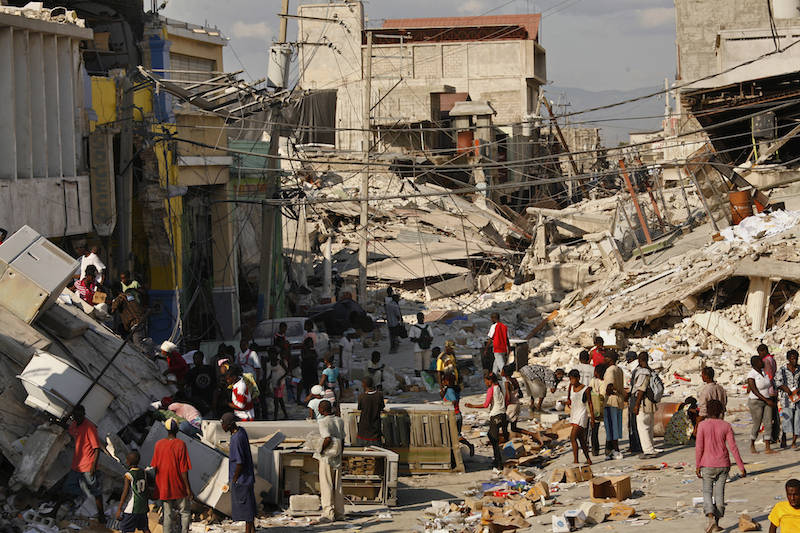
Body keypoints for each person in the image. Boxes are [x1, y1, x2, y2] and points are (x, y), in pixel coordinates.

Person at [696, 399, 746, 533]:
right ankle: (716, 524)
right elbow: (733, 448)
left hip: (707, 464)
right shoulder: (726, 426)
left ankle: (711, 517)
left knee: (707, 492)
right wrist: (741, 467)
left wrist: (697, 465)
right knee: (719, 494)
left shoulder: (702, 425)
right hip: (723, 464)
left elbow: (699, 447)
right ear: (720, 412)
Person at [150, 419, 193, 533]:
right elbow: (184, 469)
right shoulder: (181, 445)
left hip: (164, 485)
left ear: (166, 429)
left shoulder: (158, 444)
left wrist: (157, 486)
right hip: (179, 485)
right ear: (177, 429)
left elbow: (155, 467)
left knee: (167, 513)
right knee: (185, 512)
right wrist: (188, 489)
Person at [65, 405, 104, 520]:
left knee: (95, 491)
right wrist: (67, 416)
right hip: (77, 464)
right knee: (67, 487)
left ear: (83, 415)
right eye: (75, 416)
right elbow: (68, 428)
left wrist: (93, 467)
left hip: (87, 465)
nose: (77, 418)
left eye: (79, 416)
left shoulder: (89, 428)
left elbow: (97, 448)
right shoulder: (75, 425)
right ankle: (56, 510)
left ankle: (102, 516)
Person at [221, 413, 256, 533]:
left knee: (245, 510)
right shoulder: (241, 432)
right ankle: (252, 530)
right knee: (249, 507)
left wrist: (234, 479)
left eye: (223, 424)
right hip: (248, 477)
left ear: (230, 425)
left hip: (242, 479)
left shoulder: (236, 439)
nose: (222, 426)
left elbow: (240, 462)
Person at [465, 373, 507, 469]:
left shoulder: (491, 389)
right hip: (503, 414)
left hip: (495, 415)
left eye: (485, 381)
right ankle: (497, 460)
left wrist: (472, 406)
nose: (485, 383)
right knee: (491, 436)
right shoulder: (500, 386)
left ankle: (499, 463)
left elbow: (485, 405)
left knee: (494, 439)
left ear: (490, 381)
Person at [316, 400, 346, 522]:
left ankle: (328, 513)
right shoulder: (339, 420)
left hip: (327, 457)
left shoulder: (323, 422)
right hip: (337, 456)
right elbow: (343, 439)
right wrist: (341, 453)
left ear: (322, 410)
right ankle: (339, 513)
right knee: (337, 485)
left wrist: (321, 450)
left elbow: (327, 438)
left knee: (326, 484)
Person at [747, 355, 776, 454]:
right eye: (760, 361)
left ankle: (767, 447)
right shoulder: (752, 374)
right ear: (755, 364)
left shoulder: (763, 372)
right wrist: (766, 400)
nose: (762, 362)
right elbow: (754, 390)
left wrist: (770, 399)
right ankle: (752, 444)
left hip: (767, 400)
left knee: (768, 422)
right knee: (757, 423)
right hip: (756, 401)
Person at [116, 451, 150, 533]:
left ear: (129, 462)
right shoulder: (143, 472)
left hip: (132, 507)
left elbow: (125, 492)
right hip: (143, 506)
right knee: (145, 528)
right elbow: (146, 489)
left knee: (125, 529)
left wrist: (119, 508)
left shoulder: (129, 475)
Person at [441, 372, 475, 456]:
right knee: (457, 436)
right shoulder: (454, 389)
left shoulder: (450, 390)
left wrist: (447, 405)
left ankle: (466, 447)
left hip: (453, 415)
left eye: (444, 380)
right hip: (457, 414)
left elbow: (453, 400)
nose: (443, 382)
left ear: (447, 381)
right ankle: (468, 446)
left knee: (451, 436)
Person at [632, 351, 658, 458]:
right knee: (649, 427)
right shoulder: (651, 371)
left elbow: (641, 390)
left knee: (643, 428)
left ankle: (648, 451)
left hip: (644, 404)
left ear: (639, 360)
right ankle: (651, 447)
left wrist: (636, 405)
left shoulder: (643, 373)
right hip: (651, 404)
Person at [566, 369, 594, 465]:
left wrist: (593, 418)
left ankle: (576, 460)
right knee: (581, 439)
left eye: (573, 379)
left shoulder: (585, 389)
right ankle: (588, 459)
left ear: (578, 378)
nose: (572, 381)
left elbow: (590, 403)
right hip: (574, 413)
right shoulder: (571, 386)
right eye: (570, 379)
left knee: (572, 437)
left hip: (582, 414)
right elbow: (569, 397)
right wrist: (567, 401)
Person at [602, 350, 625, 460]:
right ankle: (611, 451)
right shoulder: (619, 369)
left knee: (611, 427)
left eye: (605, 357)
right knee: (615, 425)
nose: (604, 359)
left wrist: (606, 393)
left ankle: (616, 450)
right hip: (618, 400)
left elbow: (609, 385)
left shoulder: (610, 370)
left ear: (610, 359)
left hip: (611, 401)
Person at [776, 349, 800, 449]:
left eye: (796, 358)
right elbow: (777, 382)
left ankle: (794, 441)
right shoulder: (782, 370)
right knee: (787, 419)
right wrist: (786, 389)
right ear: (788, 359)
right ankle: (784, 437)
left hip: (798, 399)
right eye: (792, 359)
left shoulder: (799, 369)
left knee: (798, 420)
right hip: (786, 400)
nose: (795, 361)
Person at [759, 343, 781, 445]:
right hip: (774, 390)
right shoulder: (772, 360)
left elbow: (769, 376)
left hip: (769, 391)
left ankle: (771, 437)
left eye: (760, 353)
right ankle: (775, 436)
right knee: (774, 414)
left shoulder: (766, 361)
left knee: (769, 415)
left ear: (763, 351)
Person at [356, 376, 384, 446]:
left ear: (364, 385)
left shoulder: (361, 396)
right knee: (377, 454)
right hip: (375, 430)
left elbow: (360, 408)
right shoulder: (379, 395)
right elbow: (381, 407)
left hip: (363, 431)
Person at [697, 367, 727, 431]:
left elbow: (703, 412)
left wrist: (696, 427)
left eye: (702, 374)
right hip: (720, 421)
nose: (701, 376)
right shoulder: (721, 389)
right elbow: (724, 404)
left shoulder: (705, 391)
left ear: (706, 376)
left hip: (709, 424)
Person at [409, 313, 434, 377]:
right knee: (420, 364)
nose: (421, 318)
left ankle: (422, 376)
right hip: (423, 348)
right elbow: (431, 337)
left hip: (419, 348)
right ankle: (420, 376)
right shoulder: (427, 327)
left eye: (421, 317)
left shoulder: (414, 327)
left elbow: (411, 338)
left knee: (424, 363)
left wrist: (420, 340)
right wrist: (424, 340)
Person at [590, 364, 606, 456]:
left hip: (601, 407)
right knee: (594, 430)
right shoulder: (594, 381)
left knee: (595, 430)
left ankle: (597, 449)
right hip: (598, 406)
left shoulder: (602, 382)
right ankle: (595, 449)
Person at [266, 349, 288, 420]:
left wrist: (280, 379)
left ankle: (275, 417)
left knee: (276, 400)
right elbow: (270, 374)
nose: (272, 356)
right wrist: (267, 381)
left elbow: (287, 371)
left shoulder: (280, 362)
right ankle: (285, 414)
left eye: (273, 354)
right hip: (274, 383)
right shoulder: (269, 363)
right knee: (280, 400)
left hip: (281, 383)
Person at [385, 289, 402, 354]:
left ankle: (392, 348)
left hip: (389, 322)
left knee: (391, 336)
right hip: (394, 322)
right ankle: (394, 348)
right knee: (395, 335)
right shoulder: (395, 305)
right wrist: (399, 320)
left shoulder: (388, 304)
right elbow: (397, 314)